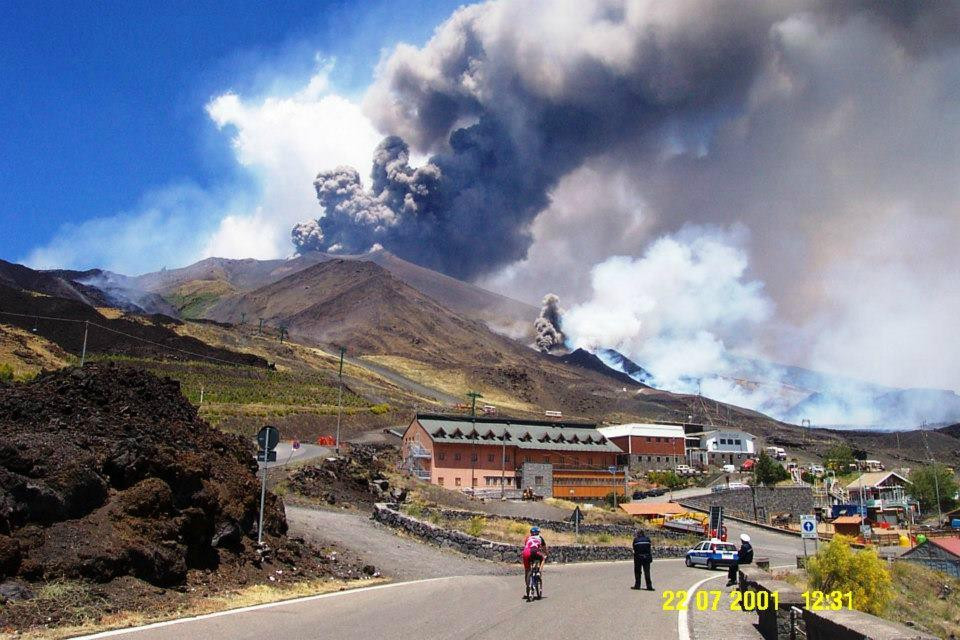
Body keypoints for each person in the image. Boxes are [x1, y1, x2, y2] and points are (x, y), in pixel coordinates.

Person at [522, 526, 547, 599]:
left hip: (526, 553)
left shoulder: (528, 538)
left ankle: (528, 587)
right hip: (536, 552)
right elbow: (544, 549)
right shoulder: (540, 538)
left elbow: (526, 546)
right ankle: (539, 572)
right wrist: (546, 555)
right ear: (538, 532)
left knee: (527, 571)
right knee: (543, 558)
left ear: (531, 533)